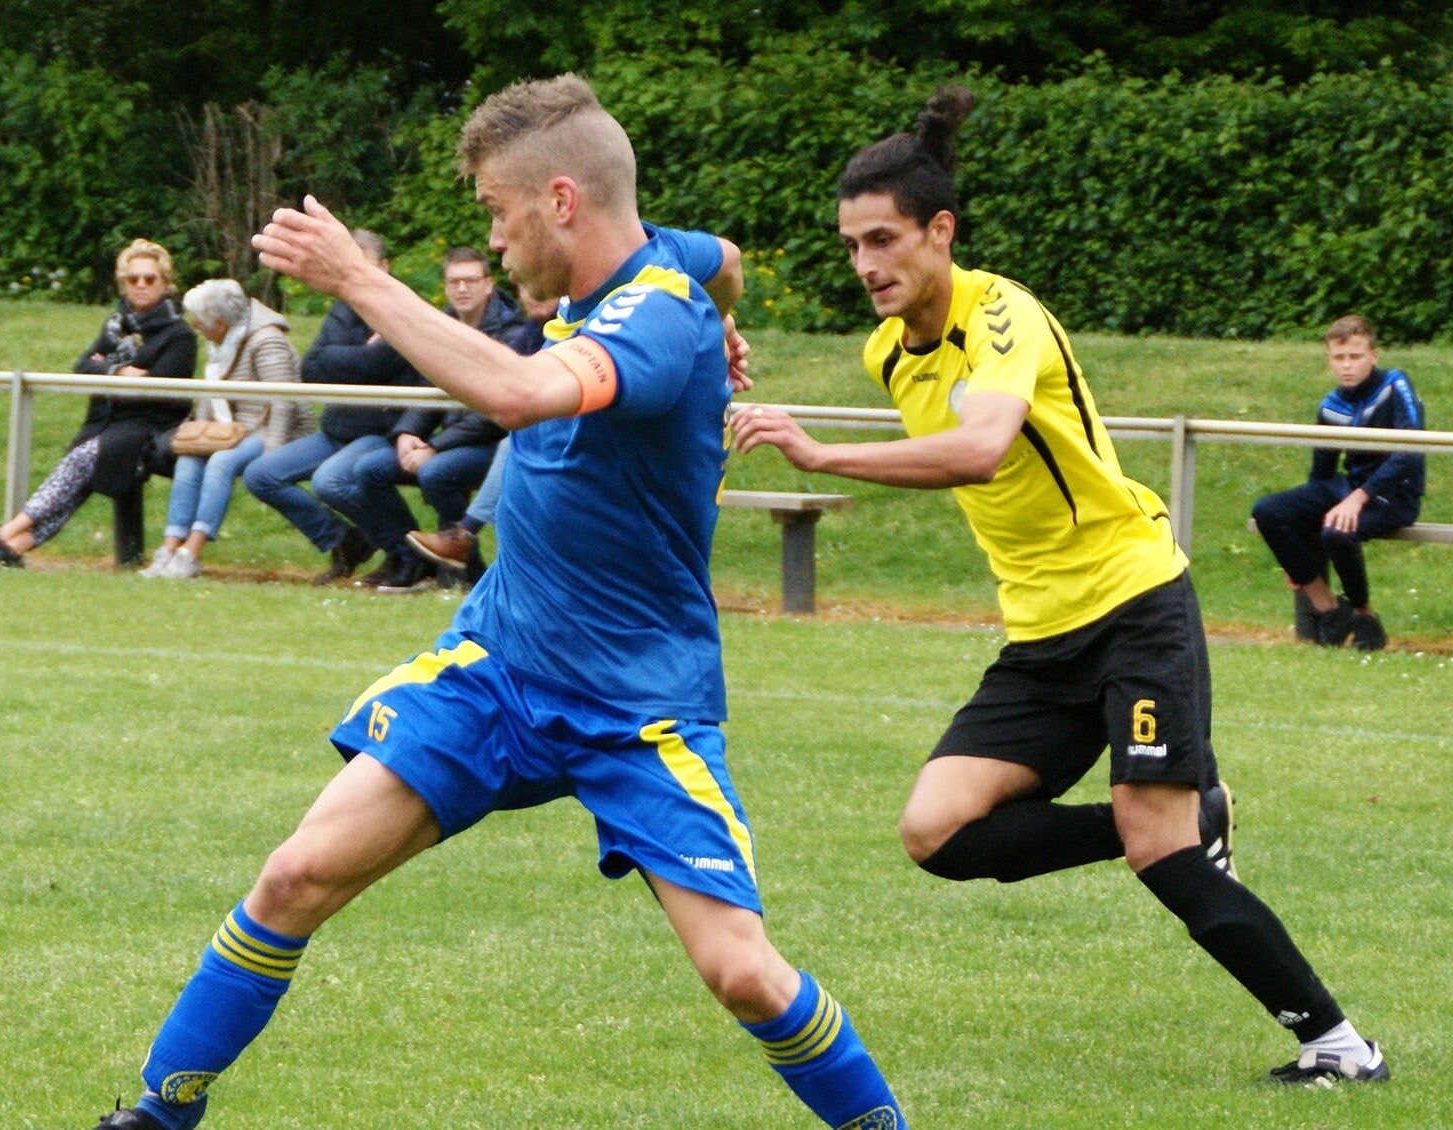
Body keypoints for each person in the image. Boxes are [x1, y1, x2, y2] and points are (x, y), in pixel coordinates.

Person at [85, 75, 905, 1130]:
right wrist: (731, 326)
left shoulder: (656, 317)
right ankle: (157, 1114)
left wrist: (358, 278)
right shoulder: (667, 270)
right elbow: (725, 259)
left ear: (562, 201)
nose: (495, 240)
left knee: (745, 974)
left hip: (640, 705)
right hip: (500, 670)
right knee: (294, 875)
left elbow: (517, 393)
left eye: (497, 214)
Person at [733, 86, 1386, 1089]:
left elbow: (985, 446)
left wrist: (822, 456)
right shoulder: (884, 350)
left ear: (939, 230)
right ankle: (1190, 813)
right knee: (935, 830)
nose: (866, 264)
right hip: (1041, 635)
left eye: (884, 239)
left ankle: (1339, 1043)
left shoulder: (1004, 313)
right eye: (852, 244)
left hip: (1133, 600)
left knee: (1158, 852)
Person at [0, 239, 195, 567]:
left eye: (150, 278)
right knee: (73, 486)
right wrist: (121, 371)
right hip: (103, 422)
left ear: (165, 284)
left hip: (148, 427)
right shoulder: (116, 324)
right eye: (133, 279)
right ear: (123, 284)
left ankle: (3, 534)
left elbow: (159, 387)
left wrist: (109, 369)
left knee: (79, 463)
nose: (141, 285)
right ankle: (13, 549)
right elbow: (83, 366)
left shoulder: (179, 335)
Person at [318, 247, 523, 593]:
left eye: (470, 281)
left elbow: (492, 412)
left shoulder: (512, 332)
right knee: (370, 469)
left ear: (488, 284)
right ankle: (413, 560)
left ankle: (468, 572)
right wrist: (407, 434)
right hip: (446, 440)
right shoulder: (440, 325)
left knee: (435, 472)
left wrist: (433, 447)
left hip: (493, 441)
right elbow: (426, 388)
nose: (462, 289)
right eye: (454, 282)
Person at [240, 229, 425, 584]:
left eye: (361, 265)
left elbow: (378, 362)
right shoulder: (344, 305)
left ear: (384, 267)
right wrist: (365, 354)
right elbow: (311, 366)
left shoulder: (404, 308)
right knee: (260, 475)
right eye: (346, 266)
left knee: (329, 481)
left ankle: (408, 553)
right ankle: (344, 540)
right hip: (336, 429)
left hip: (381, 433)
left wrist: (350, 358)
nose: (351, 274)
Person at [1251, 315, 1424, 651]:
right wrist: (1297, 564)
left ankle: (1364, 616)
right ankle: (1329, 608)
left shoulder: (1395, 385)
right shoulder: (1331, 405)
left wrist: (1358, 498)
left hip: (1393, 494)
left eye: (1355, 357)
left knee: (1337, 531)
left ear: (1374, 355)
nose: (1347, 366)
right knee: (1269, 511)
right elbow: (1321, 475)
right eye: (1339, 358)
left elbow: (1411, 450)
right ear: (1329, 360)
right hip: (1347, 489)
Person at [138, 279, 311, 580]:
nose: (193, 325)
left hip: (269, 430)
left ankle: (191, 552)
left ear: (219, 322)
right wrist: (199, 434)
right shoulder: (217, 337)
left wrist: (272, 453)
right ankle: (169, 547)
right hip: (229, 429)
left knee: (221, 462)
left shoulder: (267, 340)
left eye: (199, 320)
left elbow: (284, 401)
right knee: (190, 459)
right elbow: (210, 393)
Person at [404, 284, 559, 580]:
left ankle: (464, 540)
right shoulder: (530, 332)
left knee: (508, 451)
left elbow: (503, 406)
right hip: (502, 440)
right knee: (363, 470)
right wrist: (407, 433)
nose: (535, 294)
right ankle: (460, 562)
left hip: (518, 440)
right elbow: (488, 384)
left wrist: (435, 445)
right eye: (527, 288)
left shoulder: (568, 329)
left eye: (542, 288)